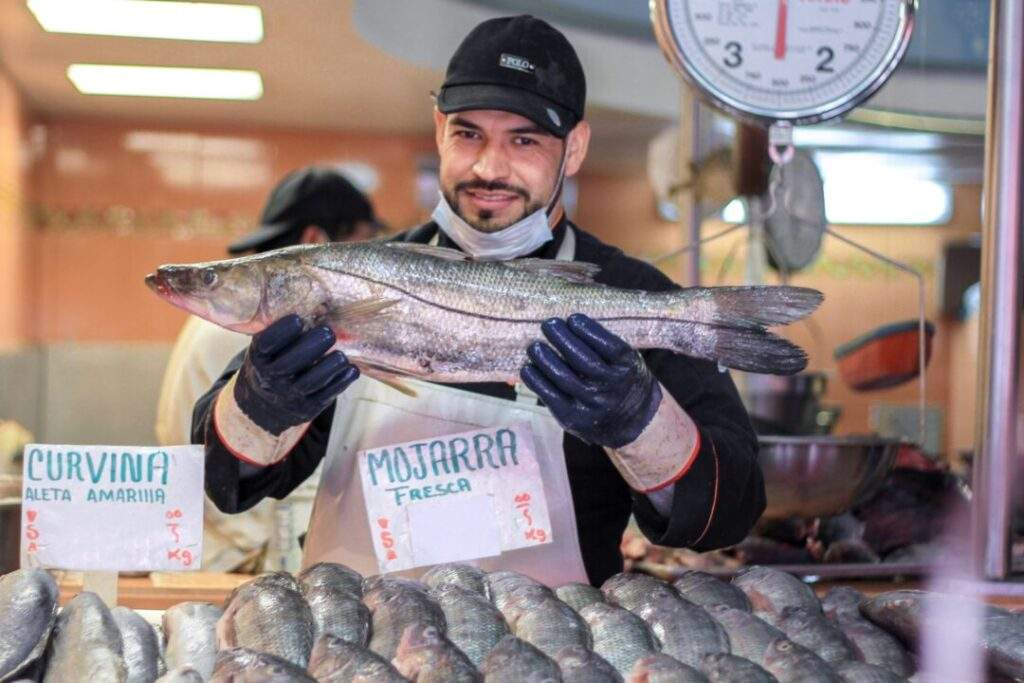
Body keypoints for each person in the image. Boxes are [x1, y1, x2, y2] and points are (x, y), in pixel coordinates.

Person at [193, 16, 764, 586]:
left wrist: (642, 422)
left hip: (554, 650)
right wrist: (261, 402)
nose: (490, 167)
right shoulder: (351, 280)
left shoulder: (637, 301)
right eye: (469, 134)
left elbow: (730, 510)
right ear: (440, 130)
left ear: (575, 148)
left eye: (525, 140)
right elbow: (225, 479)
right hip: (366, 645)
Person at [155, 166, 383, 570]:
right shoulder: (263, 326)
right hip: (239, 557)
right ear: (316, 240)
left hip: (207, 545)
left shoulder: (223, 316)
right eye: (363, 243)